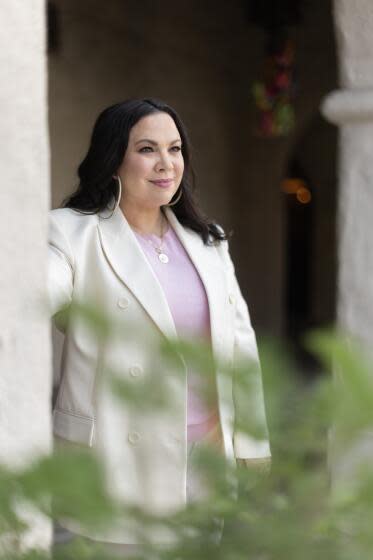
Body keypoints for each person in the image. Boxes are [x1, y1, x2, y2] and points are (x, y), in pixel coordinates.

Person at [48, 98, 271, 555]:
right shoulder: (70, 234)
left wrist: (252, 439)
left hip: (205, 458)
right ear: (113, 159)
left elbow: (240, 343)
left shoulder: (209, 240)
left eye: (175, 148)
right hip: (114, 455)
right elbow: (30, 294)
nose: (166, 163)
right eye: (147, 149)